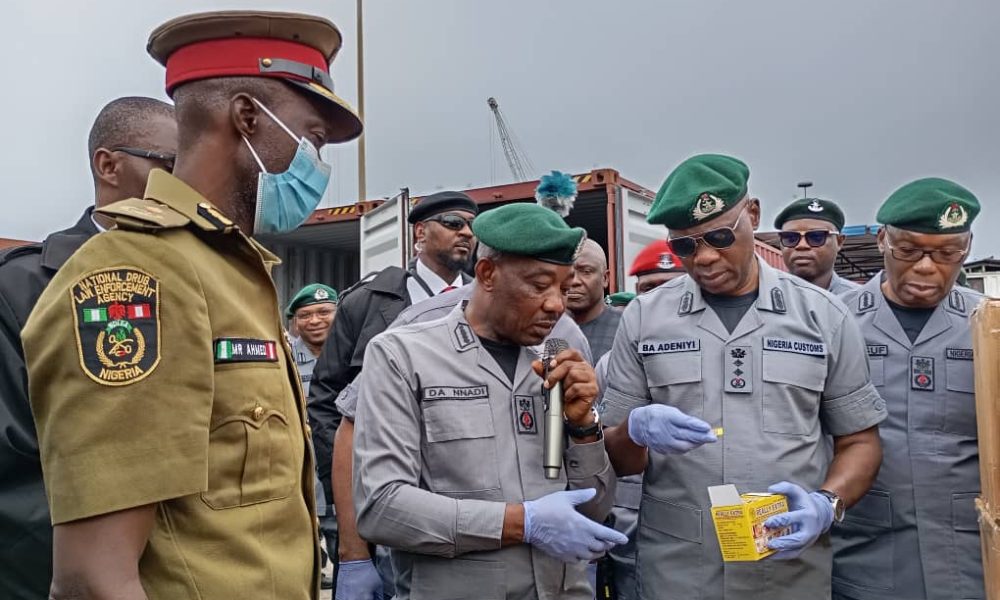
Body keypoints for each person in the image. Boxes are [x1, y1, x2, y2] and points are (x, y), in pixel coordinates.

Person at [21, 10, 363, 598]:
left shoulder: (233, 268)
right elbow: (93, 578)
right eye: (310, 138)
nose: (316, 165)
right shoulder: (137, 273)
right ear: (247, 118)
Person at [600, 153, 887, 600]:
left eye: (719, 236)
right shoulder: (644, 318)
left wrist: (826, 504)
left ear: (752, 215)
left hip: (788, 565)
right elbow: (617, 455)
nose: (706, 257)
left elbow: (860, 441)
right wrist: (634, 431)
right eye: (685, 246)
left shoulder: (823, 317)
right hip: (678, 568)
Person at [352, 203, 626, 599]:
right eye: (539, 285)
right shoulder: (404, 355)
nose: (556, 304)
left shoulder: (554, 358)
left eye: (564, 289)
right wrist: (522, 523)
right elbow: (383, 507)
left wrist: (585, 428)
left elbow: (590, 512)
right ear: (487, 274)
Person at [0, 96, 176, 599]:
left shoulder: (208, 281)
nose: (185, 186)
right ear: (108, 164)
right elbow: (15, 475)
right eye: (169, 166)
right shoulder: (25, 288)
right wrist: (101, 569)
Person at [307, 191, 479, 594]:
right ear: (421, 232)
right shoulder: (367, 302)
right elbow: (326, 398)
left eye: (472, 226)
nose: (467, 234)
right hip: (376, 493)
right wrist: (349, 485)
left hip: (460, 494)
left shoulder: (482, 301)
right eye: (454, 224)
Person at [832, 178, 985, 600]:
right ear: (883, 240)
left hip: (970, 556)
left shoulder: (987, 326)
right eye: (910, 250)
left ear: (967, 248)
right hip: (864, 550)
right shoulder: (836, 323)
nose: (925, 266)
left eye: (946, 253)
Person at [595, 239, 685, 600]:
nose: (658, 298)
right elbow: (598, 442)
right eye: (648, 288)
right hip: (631, 520)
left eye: (670, 286)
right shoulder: (611, 362)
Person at [287, 282, 340, 590]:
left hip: (336, 476)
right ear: (296, 322)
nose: (315, 321)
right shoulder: (284, 358)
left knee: (345, 553)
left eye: (324, 312)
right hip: (297, 476)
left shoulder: (353, 355)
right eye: (306, 315)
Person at [774, 197, 860, 295]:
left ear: (839, 241)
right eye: (791, 238)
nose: (802, 245)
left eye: (816, 237)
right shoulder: (765, 298)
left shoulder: (857, 301)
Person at [566, 239, 621, 359]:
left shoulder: (625, 327)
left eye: (586, 272)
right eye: (567, 272)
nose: (574, 281)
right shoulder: (545, 327)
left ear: (605, 278)